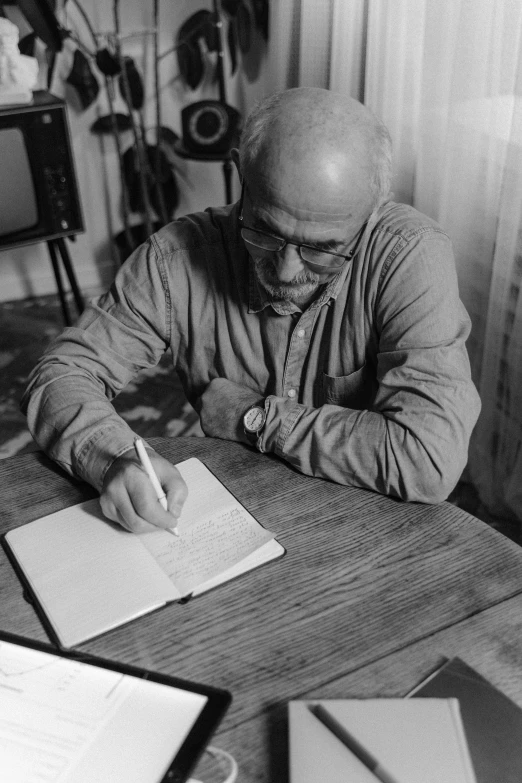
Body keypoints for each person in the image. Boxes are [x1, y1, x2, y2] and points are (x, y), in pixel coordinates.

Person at [22, 87, 481, 535]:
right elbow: (62, 372)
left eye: (322, 250)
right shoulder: (175, 259)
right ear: (241, 170)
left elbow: (429, 458)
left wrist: (254, 417)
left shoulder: (410, 255)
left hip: (372, 525)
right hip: (241, 514)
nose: (284, 270)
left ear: (371, 212)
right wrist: (112, 457)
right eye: (263, 229)